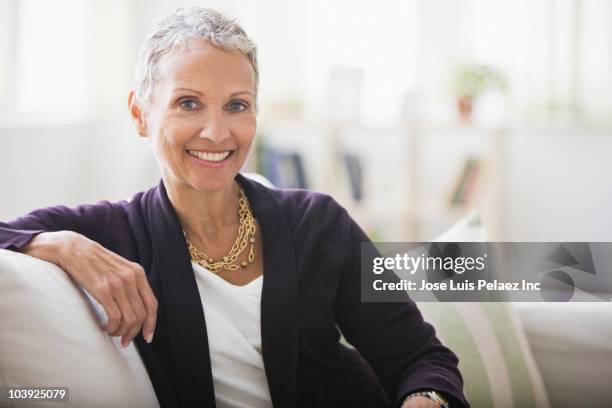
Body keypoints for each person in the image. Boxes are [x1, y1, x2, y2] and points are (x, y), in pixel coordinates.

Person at [0, 7, 468, 408]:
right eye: (188, 103)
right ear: (140, 114)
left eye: (236, 106)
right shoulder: (114, 232)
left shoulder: (318, 223)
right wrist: (58, 243)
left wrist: (425, 400)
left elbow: (420, 358)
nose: (216, 132)